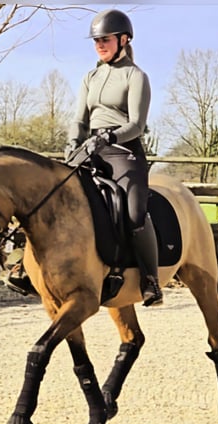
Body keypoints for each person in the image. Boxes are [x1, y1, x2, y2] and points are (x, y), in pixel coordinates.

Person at [64, 8, 163, 307]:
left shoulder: (136, 77)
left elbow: (136, 125)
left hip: (123, 152)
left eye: (105, 39)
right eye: (96, 41)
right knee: (56, 194)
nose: (100, 45)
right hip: (89, 147)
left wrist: (110, 136)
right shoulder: (90, 77)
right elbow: (79, 119)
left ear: (123, 40)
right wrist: (72, 142)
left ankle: (150, 280)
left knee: (133, 214)